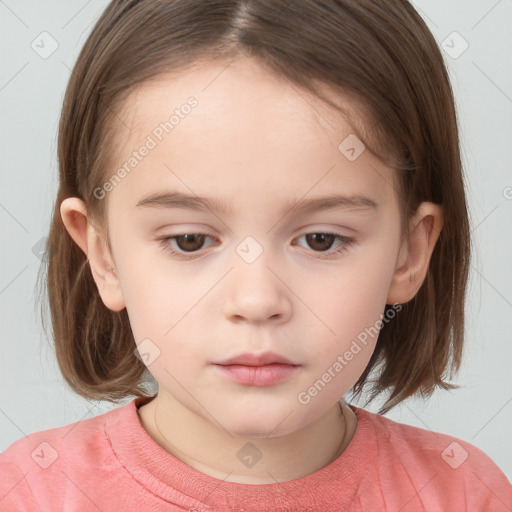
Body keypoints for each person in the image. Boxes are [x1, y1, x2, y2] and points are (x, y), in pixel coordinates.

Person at [1, 0, 511, 510]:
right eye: (190, 240)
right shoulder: (29, 494)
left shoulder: (463, 494)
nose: (256, 300)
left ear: (409, 254)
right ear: (103, 255)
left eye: (321, 240)